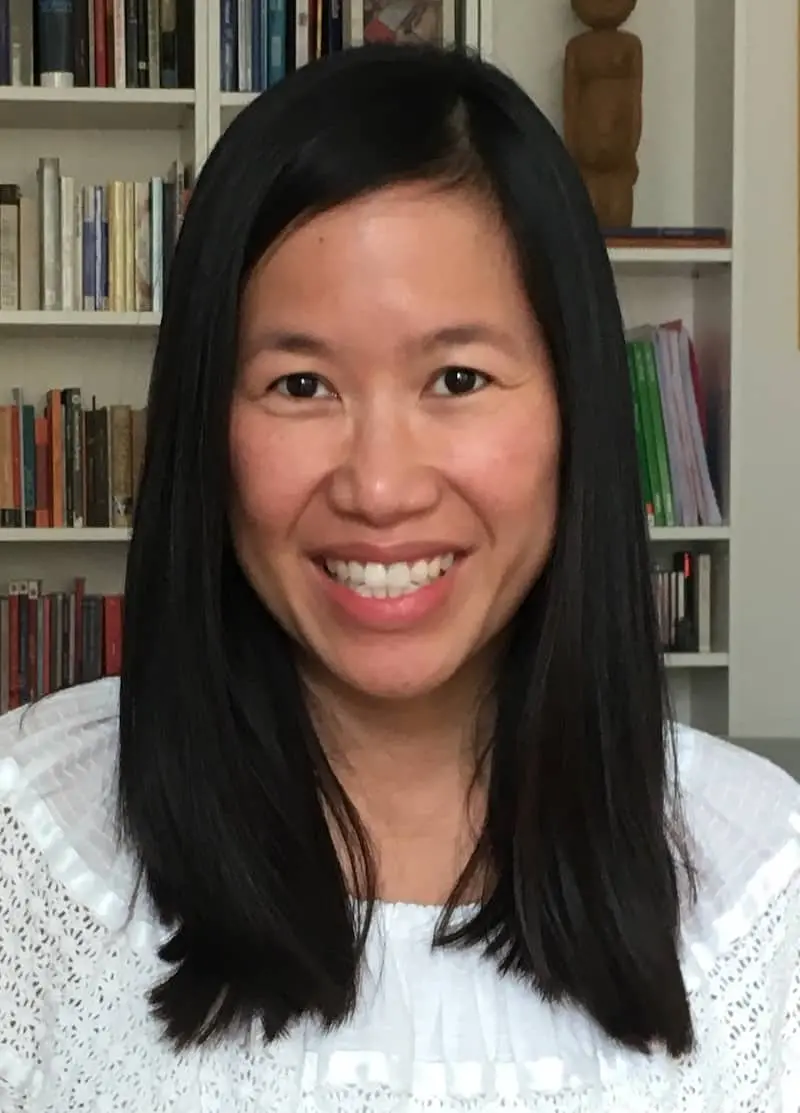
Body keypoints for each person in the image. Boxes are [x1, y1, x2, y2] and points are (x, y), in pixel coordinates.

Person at [0, 42, 798, 1113]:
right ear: (208, 427)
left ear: (574, 411)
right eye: (299, 383)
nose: (378, 488)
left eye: (456, 378)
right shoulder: (29, 848)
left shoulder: (763, 895)